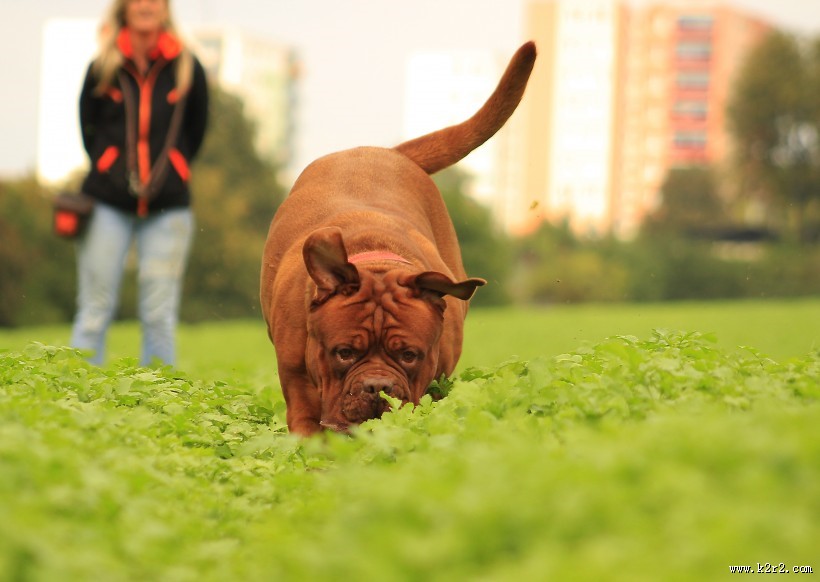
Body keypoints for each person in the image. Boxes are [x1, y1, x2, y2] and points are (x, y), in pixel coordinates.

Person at [70, 0, 209, 366]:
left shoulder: (187, 66)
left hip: (169, 206)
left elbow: (197, 129)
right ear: (124, 9)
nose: (146, 5)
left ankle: (158, 392)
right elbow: (88, 127)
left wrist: (175, 168)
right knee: (94, 308)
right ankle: (75, 388)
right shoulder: (103, 66)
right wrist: (109, 166)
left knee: (159, 314)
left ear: (165, 9)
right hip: (106, 202)